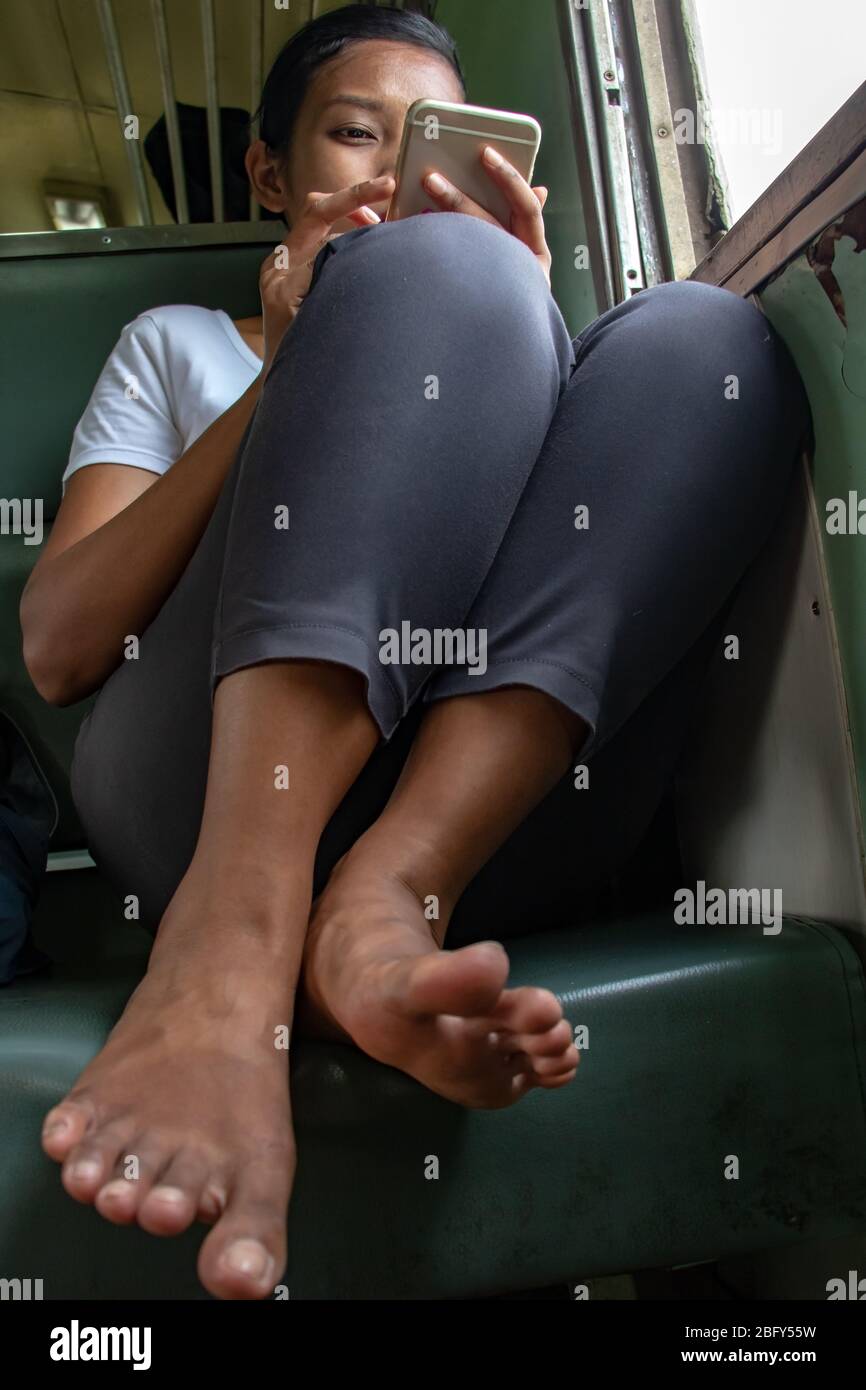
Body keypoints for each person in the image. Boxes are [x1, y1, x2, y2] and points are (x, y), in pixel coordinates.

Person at [20, 3, 809, 1300]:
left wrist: (523, 325)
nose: (388, 168)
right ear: (271, 172)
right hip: (205, 800)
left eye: (429, 138)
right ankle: (229, 941)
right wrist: (302, 362)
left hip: (484, 826)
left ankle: (382, 905)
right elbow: (58, 648)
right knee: (445, 277)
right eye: (349, 133)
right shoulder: (176, 347)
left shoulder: (502, 308)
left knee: (700, 341)